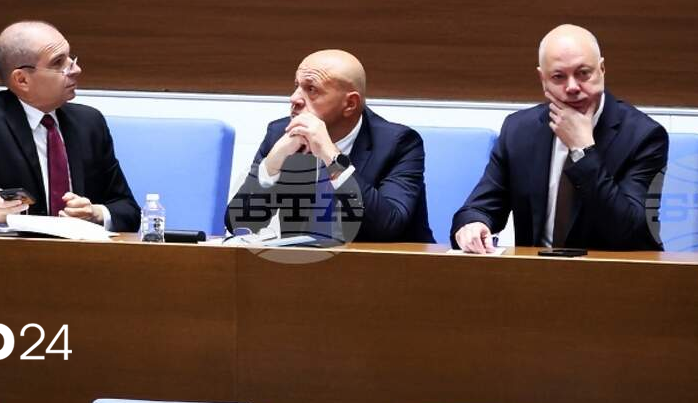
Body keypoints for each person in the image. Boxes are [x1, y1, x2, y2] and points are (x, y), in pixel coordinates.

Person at [451, 24, 668, 252]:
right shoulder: (519, 130)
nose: (572, 87)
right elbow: (479, 208)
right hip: (536, 270)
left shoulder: (644, 136)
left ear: (602, 69)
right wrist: (473, 224)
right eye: (558, 77)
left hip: (612, 270)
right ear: (542, 79)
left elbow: (633, 235)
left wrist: (583, 150)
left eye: (583, 73)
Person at [0, 20, 140, 231]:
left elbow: (128, 209)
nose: (76, 69)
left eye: (70, 58)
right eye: (58, 62)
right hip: (10, 254)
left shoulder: (89, 123)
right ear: (22, 80)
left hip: (82, 251)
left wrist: (96, 213)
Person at [226, 49, 434, 243]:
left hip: (388, 265)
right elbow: (239, 224)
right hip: (304, 265)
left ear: (350, 104)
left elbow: (386, 228)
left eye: (311, 89)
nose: (294, 98)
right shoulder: (281, 134)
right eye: (296, 86)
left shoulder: (399, 144)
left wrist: (331, 156)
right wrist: (273, 163)